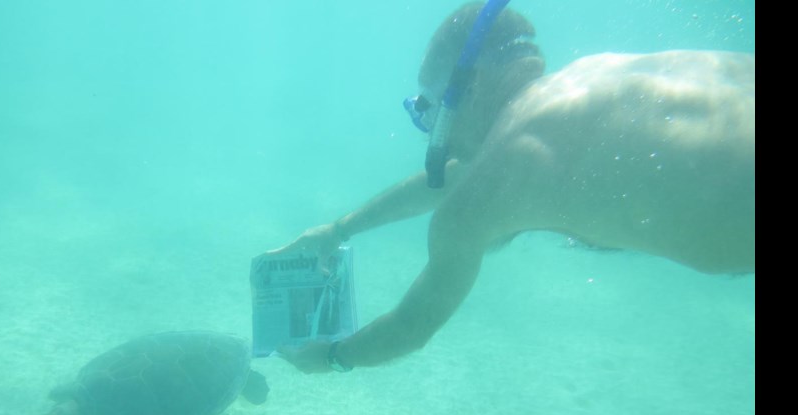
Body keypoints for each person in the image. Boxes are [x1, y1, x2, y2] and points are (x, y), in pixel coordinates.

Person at [269, 1, 755, 374]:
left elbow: (414, 325)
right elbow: (458, 179)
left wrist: (333, 357)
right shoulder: (575, 86)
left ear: (471, 85)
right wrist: (339, 229)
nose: (431, 128)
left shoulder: (508, 167)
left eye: (429, 106)